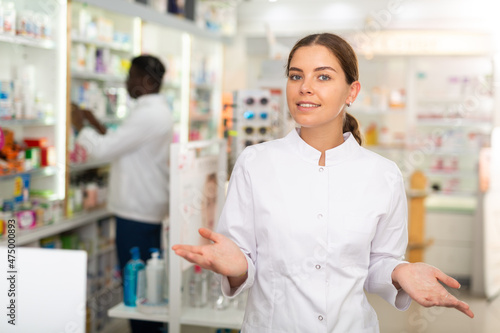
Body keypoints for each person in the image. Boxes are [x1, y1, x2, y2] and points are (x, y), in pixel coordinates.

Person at [172, 33, 474, 332]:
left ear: (351, 92)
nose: (305, 88)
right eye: (295, 76)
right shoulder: (256, 163)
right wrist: (238, 268)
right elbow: (239, 258)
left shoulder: (383, 175)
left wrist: (399, 270)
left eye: (323, 77)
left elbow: (378, 262)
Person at [72, 55, 172, 333]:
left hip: (136, 212)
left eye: (132, 75)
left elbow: (104, 150)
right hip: (145, 207)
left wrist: (80, 124)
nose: (127, 81)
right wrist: (95, 123)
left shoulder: (149, 114)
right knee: (146, 281)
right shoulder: (152, 111)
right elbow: (125, 144)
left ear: (147, 81)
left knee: (136, 287)